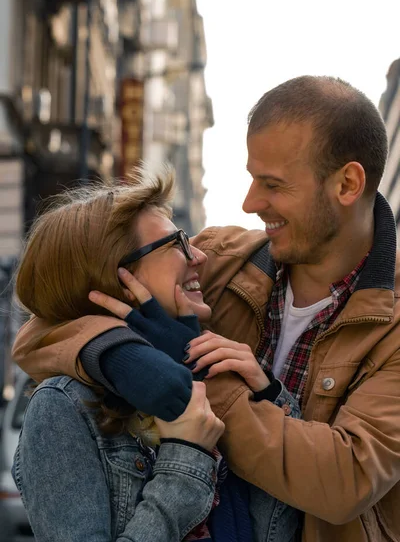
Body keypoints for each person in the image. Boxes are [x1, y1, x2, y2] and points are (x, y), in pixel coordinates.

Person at [13, 74, 399, 541]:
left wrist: (195, 372)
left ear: (347, 184)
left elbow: (345, 480)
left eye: (273, 184)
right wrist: (126, 354)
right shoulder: (220, 260)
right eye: (253, 178)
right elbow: (49, 323)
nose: (250, 202)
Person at [11, 166, 301, 542]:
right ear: (122, 280)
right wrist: (185, 454)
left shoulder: (206, 369)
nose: (199, 256)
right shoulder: (64, 408)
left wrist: (266, 395)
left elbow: (281, 523)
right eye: (177, 244)